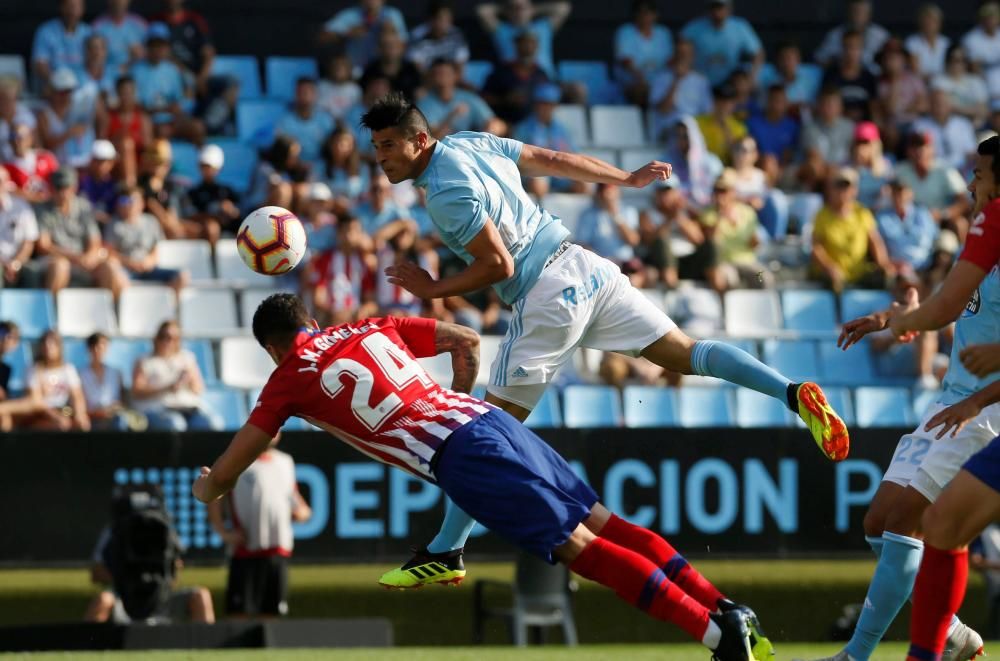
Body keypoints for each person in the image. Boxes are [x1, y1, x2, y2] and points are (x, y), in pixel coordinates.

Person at [360, 92, 850, 584]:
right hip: (586, 265)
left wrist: (433, 287)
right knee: (683, 352)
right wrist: (625, 178)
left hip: (545, 295)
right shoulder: (470, 143)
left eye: (387, 146)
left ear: (419, 140)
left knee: (484, 432)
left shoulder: (443, 193)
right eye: (376, 148)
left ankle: (447, 550)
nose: (380, 159)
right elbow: (551, 161)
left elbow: (499, 266)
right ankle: (790, 392)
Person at [192, 292, 772, 661]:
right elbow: (466, 340)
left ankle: (715, 637)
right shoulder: (371, 325)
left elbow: (231, 468)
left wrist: (205, 487)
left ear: (272, 349)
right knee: (606, 523)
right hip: (488, 420)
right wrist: (454, 402)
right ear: (313, 321)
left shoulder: (287, 376)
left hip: (461, 455)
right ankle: (724, 609)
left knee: (578, 548)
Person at [829, 136, 1000, 661]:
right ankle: (950, 634)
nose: (972, 182)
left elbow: (945, 308)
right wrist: (891, 316)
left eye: (981, 174)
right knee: (878, 522)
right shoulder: (980, 234)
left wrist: (978, 400)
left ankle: (858, 655)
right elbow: (945, 303)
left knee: (912, 522)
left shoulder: (993, 222)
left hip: (984, 408)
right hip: (951, 400)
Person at [207, 435, 311, 618]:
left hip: (277, 550)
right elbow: (214, 496)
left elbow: (296, 500)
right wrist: (224, 532)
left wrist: (301, 512)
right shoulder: (237, 460)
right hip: (246, 548)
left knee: (272, 614)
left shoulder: (285, 462)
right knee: (239, 615)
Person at [85, 485, 215, 624]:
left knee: (200, 595)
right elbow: (96, 573)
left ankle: (206, 645)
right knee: (103, 600)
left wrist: (159, 578)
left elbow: (175, 571)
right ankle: (89, 644)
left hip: (162, 597)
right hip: (124, 597)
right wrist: (128, 575)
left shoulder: (164, 530)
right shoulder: (113, 532)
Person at [31, 167, 125, 297]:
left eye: (66, 187)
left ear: (74, 187)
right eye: (58, 187)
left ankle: (114, 313)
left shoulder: (83, 207)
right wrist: (75, 258)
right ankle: (50, 314)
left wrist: (89, 256)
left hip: (81, 261)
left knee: (110, 267)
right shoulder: (41, 209)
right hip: (54, 260)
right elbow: (43, 246)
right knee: (60, 266)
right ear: (51, 188)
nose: (63, 192)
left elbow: (94, 240)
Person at [809, 167, 895, 292]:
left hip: (859, 272)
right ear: (830, 189)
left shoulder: (862, 213)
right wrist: (829, 267)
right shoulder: (822, 215)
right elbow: (816, 248)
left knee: (888, 279)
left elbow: (875, 241)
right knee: (834, 284)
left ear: (854, 190)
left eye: (846, 187)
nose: (842, 191)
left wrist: (883, 264)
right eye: (838, 186)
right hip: (833, 276)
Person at [132, 320, 222, 431]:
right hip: (158, 408)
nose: (167, 341)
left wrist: (188, 379)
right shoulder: (144, 360)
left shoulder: (187, 358)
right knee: (176, 424)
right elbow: (137, 392)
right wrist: (167, 388)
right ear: (156, 338)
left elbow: (198, 389)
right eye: (163, 336)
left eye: (172, 338)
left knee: (212, 423)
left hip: (188, 408)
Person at [105, 185, 187, 292]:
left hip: (149, 269)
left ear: (141, 203)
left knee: (181, 276)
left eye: (133, 200)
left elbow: (156, 248)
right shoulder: (113, 224)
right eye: (124, 200)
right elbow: (110, 252)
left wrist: (149, 261)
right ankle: (128, 305)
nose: (129, 204)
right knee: (117, 277)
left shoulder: (151, 221)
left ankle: (166, 305)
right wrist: (130, 263)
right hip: (126, 269)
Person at [476, 0, 571, 80]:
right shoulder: (502, 30)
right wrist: (508, 9)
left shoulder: (543, 27)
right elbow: (482, 11)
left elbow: (564, 8)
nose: (519, 12)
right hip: (514, 81)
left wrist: (532, 10)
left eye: (523, 8)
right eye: (515, 8)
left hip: (546, 80)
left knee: (578, 89)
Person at [679, 0, 763, 88]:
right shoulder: (693, 29)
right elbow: (680, 52)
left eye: (720, 7)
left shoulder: (740, 27)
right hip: (699, 83)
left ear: (729, 8)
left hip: (730, 85)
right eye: (713, 7)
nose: (717, 12)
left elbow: (758, 53)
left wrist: (753, 77)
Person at [22, 329, 90, 431]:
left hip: (64, 411)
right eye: (45, 343)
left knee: (82, 425)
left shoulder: (68, 369)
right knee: (58, 425)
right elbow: (36, 402)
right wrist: (55, 416)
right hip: (41, 415)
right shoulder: (34, 370)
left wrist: (80, 414)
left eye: (52, 343)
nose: (48, 347)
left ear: (59, 346)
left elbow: (77, 396)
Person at [647, 38, 713, 141]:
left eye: (686, 54)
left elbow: (707, 113)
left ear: (692, 56)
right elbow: (663, 110)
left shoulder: (701, 81)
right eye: (680, 54)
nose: (683, 58)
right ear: (674, 55)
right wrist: (676, 80)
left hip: (693, 132)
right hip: (667, 133)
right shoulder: (660, 78)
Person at [876, 179, 939, 280]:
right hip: (896, 270)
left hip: (925, 268)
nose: (900, 197)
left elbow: (934, 241)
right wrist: (890, 264)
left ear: (911, 195)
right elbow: (878, 246)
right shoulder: (882, 218)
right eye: (896, 193)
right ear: (891, 196)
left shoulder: (923, 214)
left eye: (903, 193)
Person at [613, 0, 673, 107]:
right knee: (642, 90)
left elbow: (669, 60)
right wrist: (642, 79)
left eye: (648, 12)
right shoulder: (625, 31)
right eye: (640, 12)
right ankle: (644, 121)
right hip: (632, 82)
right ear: (635, 14)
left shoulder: (663, 33)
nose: (644, 16)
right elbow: (625, 61)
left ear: (655, 14)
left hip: (658, 81)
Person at [150, 0, 215, 97]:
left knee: (230, 84)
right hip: (172, 74)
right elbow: (160, 53)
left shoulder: (195, 20)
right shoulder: (157, 21)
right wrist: (188, 76)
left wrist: (202, 79)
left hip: (198, 74)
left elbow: (208, 52)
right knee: (186, 83)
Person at [320, 0, 408, 70]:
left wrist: (390, 32)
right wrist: (347, 33)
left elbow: (404, 44)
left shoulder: (392, 14)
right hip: (355, 69)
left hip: (381, 69)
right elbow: (322, 37)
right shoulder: (350, 15)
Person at [417, 59, 495, 138]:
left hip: (470, 146)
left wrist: (484, 138)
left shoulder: (468, 97)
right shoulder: (424, 103)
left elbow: (494, 123)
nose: (442, 77)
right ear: (431, 77)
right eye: (438, 74)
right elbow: (432, 138)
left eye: (446, 73)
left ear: (456, 76)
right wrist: (453, 115)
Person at [912, 87, 978, 173]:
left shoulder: (963, 124)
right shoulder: (919, 126)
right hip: (933, 171)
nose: (939, 106)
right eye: (936, 103)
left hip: (962, 170)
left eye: (943, 103)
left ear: (950, 105)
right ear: (930, 105)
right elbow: (919, 155)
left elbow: (971, 153)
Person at [31, 0, 92, 90]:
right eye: (69, 6)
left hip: (82, 87)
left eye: (76, 6)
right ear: (61, 7)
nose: (72, 10)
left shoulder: (89, 32)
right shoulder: (46, 31)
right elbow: (39, 65)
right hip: (54, 87)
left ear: (82, 9)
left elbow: (96, 64)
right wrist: (56, 82)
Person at [79, 332, 132, 432]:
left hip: (113, 418)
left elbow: (123, 400)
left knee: (122, 421)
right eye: (95, 346)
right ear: (89, 349)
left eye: (102, 346)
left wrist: (114, 408)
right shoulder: (80, 374)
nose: (98, 350)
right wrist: (97, 413)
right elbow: (80, 404)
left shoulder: (116, 373)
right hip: (91, 419)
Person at [821, 30, 877, 123]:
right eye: (848, 47)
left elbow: (875, 109)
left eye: (856, 48)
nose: (851, 52)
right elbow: (824, 105)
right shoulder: (831, 75)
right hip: (837, 125)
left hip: (863, 126)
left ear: (862, 50)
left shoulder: (869, 77)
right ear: (842, 49)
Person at [815, 0, 889, 69]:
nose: (858, 15)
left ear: (869, 13)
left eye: (862, 12)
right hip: (843, 78)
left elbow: (895, 59)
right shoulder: (835, 34)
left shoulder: (880, 35)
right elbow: (820, 59)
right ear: (848, 12)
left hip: (874, 79)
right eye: (855, 11)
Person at [185, 144, 239, 235]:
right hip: (206, 234)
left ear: (219, 168)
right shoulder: (193, 193)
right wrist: (213, 216)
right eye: (204, 166)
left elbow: (239, 214)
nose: (207, 170)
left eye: (210, 167)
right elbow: (189, 215)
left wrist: (231, 210)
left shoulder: (228, 192)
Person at [932, 46, 990, 128]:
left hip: (977, 125)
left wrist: (961, 110)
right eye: (953, 59)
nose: (957, 63)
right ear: (947, 61)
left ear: (966, 62)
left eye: (961, 60)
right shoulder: (938, 81)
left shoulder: (976, 81)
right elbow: (945, 108)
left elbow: (984, 109)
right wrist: (973, 111)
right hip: (949, 125)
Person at [0, 167, 38, 289]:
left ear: (7, 183)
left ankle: (34, 308)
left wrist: (16, 263)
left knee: (32, 273)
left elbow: (28, 242)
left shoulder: (22, 207)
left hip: (18, 261)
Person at [406, 0, 469, 74]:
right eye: (440, 19)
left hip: (450, 80)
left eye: (448, 19)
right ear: (431, 19)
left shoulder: (457, 34)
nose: (445, 23)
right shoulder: (417, 36)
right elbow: (419, 71)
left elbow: (459, 69)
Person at [360, 26, 422, 101]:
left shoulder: (411, 70)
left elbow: (419, 94)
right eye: (386, 46)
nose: (391, 49)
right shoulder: (370, 71)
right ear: (379, 49)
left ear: (402, 48)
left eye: (394, 46)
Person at [92, 0, 147, 78]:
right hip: (108, 76)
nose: (119, 2)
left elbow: (151, 51)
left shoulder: (140, 23)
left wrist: (141, 53)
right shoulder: (98, 25)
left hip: (137, 75)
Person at [961, 2, 1000, 100]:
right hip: (982, 82)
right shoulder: (971, 38)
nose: (990, 20)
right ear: (981, 19)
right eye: (987, 16)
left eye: (993, 16)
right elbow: (974, 69)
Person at [79, 140, 120, 224]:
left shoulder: (114, 184)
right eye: (101, 161)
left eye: (110, 161)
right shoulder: (82, 182)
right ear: (93, 161)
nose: (107, 165)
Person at [905, 3, 949, 78]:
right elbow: (915, 71)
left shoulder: (946, 42)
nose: (930, 24)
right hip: (920, 84)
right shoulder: (912, 42)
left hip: (943, 84)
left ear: (940, 23)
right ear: (920, 22)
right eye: (927, 20)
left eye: (934, 21)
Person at [316, 54, 361, 122]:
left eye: (342, 66)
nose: (338, 69)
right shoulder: (321, 86)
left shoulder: (355, 90)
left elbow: (357, 113)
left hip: (348, 125)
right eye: (336, 66)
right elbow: (318, 110)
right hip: (325, 124)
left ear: (349, 69)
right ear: (330, 68)